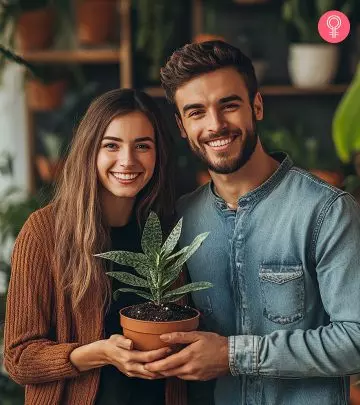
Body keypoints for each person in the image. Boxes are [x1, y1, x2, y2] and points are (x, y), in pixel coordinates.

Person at [144, 40, 360, 405]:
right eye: (196, 112)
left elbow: (355, 340)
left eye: (228, 105)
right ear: (182, 126)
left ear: (256, 105)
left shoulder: (326, 211)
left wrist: (233, 355)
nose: (215, 125)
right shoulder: (179, 219)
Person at [4, 88, 188, 405]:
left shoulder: (168, 229)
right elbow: (19, 358)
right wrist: (98, 353)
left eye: (142, 146)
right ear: (91, 151)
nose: (127, 160)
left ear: (158, 154)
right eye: (111, 145)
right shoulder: (45, 232)